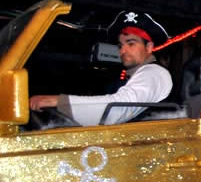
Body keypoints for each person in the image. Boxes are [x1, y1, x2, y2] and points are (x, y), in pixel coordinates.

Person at [29, 10, 172, 126]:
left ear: (149, 47)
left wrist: (58, 101)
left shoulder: (154, 72)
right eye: (120, 45)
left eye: (131, 43)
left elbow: (116, 109)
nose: (123, 50)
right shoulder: (132, 76)